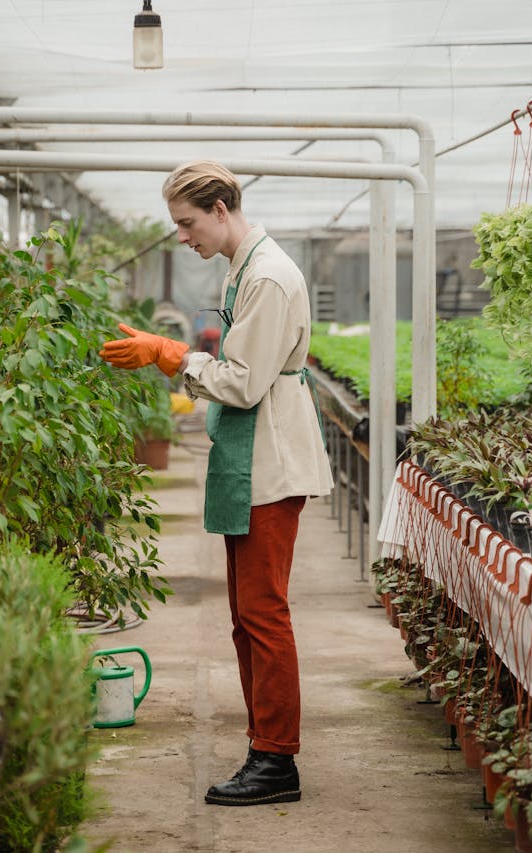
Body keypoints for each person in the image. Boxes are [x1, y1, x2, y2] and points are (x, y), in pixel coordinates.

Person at [99, 160, 333, 807]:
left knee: (263, 613)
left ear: (222, 208)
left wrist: (171, 355)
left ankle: (276, 760)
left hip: (273, 460)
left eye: (187, 222)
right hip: (254, 455)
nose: (182, 235)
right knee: (246, 615)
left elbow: (242, 381)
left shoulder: (269, 277)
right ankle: (264, 745)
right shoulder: (246, 267)